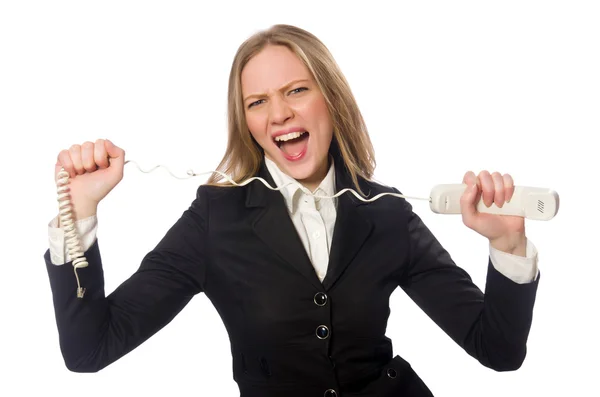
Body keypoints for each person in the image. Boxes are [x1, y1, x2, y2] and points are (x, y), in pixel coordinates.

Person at [44, 24, 540, 397]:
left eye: (296, 90)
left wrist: (507, 246)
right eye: (257, 101)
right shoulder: (214, 219)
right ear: (248, 122)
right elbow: (91, 349)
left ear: (331, 98)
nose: (278, 113)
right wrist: (78, 214)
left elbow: (497, 350)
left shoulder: (387, 212)